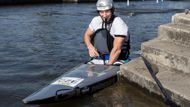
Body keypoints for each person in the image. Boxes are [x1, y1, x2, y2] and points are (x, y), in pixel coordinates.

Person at [83, 0, 130, 65]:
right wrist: (90, 47)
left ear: (112, 10)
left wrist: (107, 67)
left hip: (118, 59)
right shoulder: (96, 20)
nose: (104, 15)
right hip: (100, 58)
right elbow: (87, 35)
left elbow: (117, 50)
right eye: (101, 12)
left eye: (107, 11)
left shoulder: (119, 24)